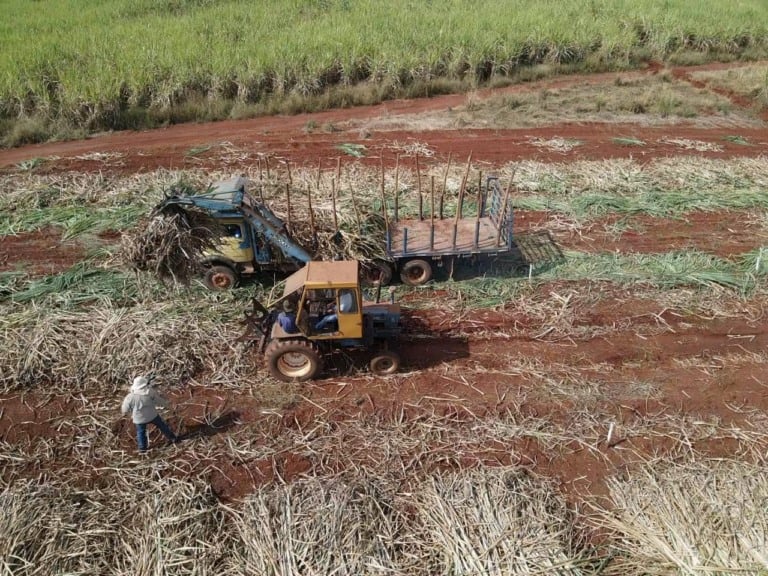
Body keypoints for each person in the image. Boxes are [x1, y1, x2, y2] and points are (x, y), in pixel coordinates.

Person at [121, 375, 179, 452]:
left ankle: (142, 448)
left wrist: (124, 413)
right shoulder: (149, 392)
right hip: (152, 415)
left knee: (141, 432)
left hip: (139, 419)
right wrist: (167, 405)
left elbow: (125, 407)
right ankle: (172, 438)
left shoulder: (130, 397)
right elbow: (159, 400)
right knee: (162, 425)